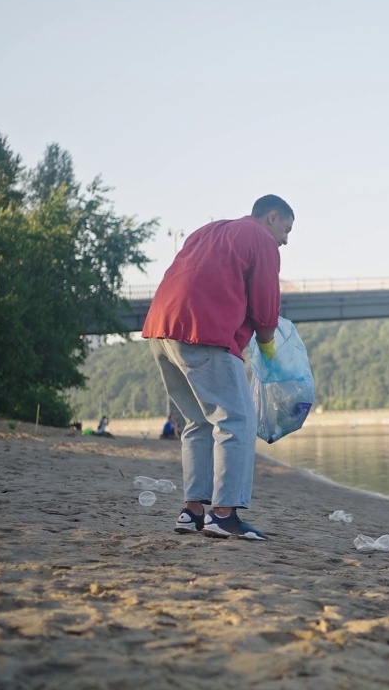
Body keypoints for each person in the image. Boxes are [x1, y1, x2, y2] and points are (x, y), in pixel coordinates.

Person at [142, 194, 294, 542]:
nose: (285, 240)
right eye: (286, 230)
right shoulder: (261, 240)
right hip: (203, 331)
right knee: (237, 420)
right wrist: (270, 354)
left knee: (198, 421)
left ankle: (192, 511)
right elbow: (266, 308)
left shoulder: (208, 231)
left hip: (161, 331)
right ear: (272, 217)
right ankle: (224, 515)